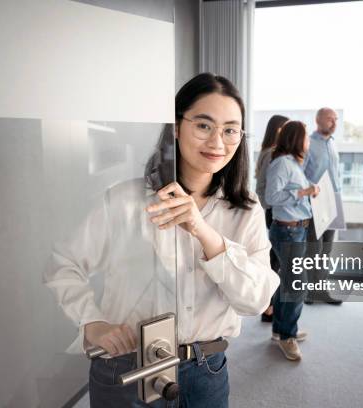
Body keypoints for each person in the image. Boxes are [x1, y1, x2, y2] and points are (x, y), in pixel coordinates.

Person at [44, 73, 280, 407]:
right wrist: (92, 323)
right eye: (203, 125)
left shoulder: (245, 210)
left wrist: (202, 230)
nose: (217, 142)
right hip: (127, 367)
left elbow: (255, 301)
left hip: (206, 370)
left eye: (230, 130)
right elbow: (62, 265)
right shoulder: (124, 201)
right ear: (176, 127)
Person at [265, 120, 319, 361]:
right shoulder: (281, 164)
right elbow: (272, 197)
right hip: (287, 231)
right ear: (297, 139)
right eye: (306, 137)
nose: (309, 142)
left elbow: (295, 194)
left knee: (287, 281)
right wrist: (303, 192)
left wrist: (309, 191)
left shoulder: (293, 164)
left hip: (296, 230)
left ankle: (280, 330)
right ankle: (288, 335)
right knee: (297, 284)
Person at [303, 107, 343, 305]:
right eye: (330, 119)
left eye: (336, 119)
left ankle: (321, 290)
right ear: (318, 121)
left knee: (326, 250)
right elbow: (301, 173)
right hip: (316, 202)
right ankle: (310, 290)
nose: (334, 123)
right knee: (314, 250)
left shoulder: (333, 144)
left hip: (334, 201)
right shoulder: (308, 143)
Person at [255, 114, 289, 322]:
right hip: (269, 209)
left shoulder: (270, 152)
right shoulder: (271, 154)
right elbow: (265, 188)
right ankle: (267, 306)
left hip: (269, 208)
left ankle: (267, 306)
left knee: (274, 260)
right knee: (274, 261)